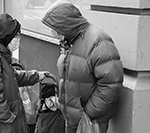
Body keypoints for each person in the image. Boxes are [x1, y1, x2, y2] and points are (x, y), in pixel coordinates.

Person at [42, 1, 124, 133]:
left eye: (55, 28)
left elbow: (111, 83)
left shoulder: (98, 41)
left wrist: (89, 113)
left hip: (90, 121)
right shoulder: (70, 40)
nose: (53, 32)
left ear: (65, 24)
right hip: (74, 117)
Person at [0, 13, 50, 133]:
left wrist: (36, 76)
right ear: (5, 37)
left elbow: (13, 77)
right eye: (16, 35)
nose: (18, 39)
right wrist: (10, 117)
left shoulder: (1, 57)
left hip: (2, 124)